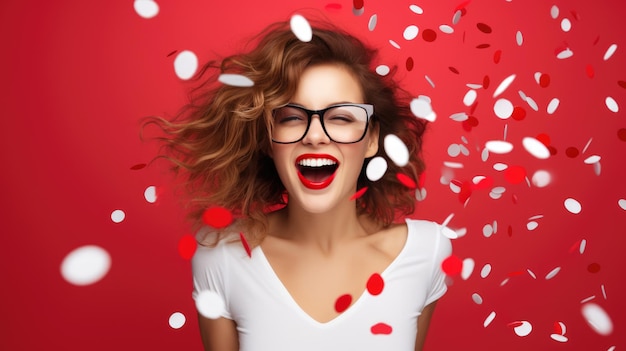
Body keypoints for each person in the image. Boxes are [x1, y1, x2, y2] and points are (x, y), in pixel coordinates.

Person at [148, 16, 452, 351]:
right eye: (292, 117)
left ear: (370, 140)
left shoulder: (427, 251)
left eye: (341, 117)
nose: (316, 136)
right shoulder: (220, 254)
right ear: (268, 138)